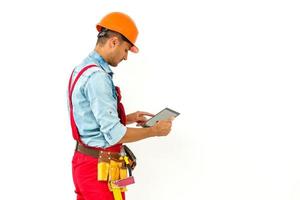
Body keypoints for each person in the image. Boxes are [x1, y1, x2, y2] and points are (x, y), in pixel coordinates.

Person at [67, 12, 173, 200]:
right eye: (125, 50)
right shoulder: (98, 77)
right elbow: (115, 134)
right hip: (99, 170)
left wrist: (130, 117)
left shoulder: (82, 69)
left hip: (85, 164)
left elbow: (88, 116)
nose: (125, 57)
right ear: (114, 42)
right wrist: (155, 130)